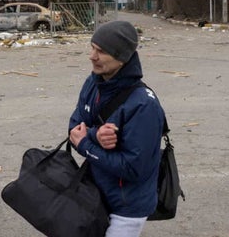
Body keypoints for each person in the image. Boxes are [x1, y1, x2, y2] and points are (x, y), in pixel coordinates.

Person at [69, 20, 165, 237]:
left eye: (101, 51)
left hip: (127, 206)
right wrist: (95, 135)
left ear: (121, 59)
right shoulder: (93, 83)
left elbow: (132, 169)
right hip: (94, 194)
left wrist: (86, 144)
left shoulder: (143, 105)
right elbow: (74, 129)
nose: (92, 56)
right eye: (92, 47)